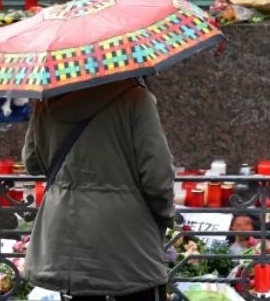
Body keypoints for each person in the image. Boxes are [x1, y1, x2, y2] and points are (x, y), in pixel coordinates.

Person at [22, 78, 174, 301]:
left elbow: (31, 162)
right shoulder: (135, 98)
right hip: (129, 234)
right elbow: (157, 173)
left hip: (68, 233)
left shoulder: (47, 102)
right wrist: (164, 214)